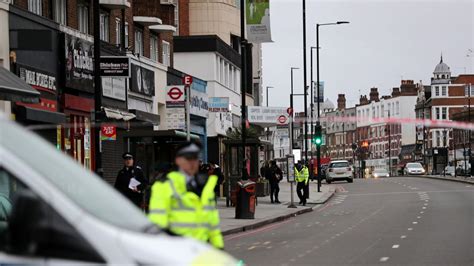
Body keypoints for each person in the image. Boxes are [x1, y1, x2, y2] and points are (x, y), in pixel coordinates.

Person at [148, 142, 224, 249]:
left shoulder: (205, 185)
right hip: (177, 248)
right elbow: (158, 221)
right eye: (188, 158)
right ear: (178, 161)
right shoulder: (164, 186)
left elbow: (213, 222)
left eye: (195, 159)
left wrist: (219, 247)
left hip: (202, 249)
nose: (192, 163)